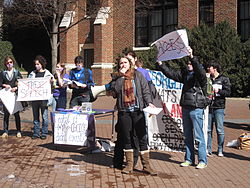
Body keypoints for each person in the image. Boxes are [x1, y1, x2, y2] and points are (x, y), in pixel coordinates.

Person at [157, 46, 208, 169]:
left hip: (196, 108)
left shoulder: (200, 76)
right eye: (188, 63)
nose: (188, 64)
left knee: (199, 136)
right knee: (187, 136)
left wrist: (192, 56)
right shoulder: (185, 75)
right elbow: (171, 74)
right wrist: (160, 64)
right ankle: (189, 159)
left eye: (190, 63)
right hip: (185, 107)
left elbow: (199, 70)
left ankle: (202, 160)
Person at [109, 55, 157, 175]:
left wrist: (150, 103)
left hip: (137, 111)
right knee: (127, 138)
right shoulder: (117, 78)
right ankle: (129, 165)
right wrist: (121, 76)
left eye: (125, 62)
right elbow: (116, 91)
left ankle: (147, 166)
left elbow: (145, 90)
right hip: (124, 112)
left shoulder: (138, 75)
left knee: (142, 137)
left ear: (130, 64)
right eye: (121, 63)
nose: (123, 65)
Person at [206, 60, 231, 157]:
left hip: (219, 107)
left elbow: (228, 92)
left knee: (219, 129)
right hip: (209, 106)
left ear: (214, 69)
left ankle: (220, 149)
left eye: (209, 68)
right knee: (208, 130)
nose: (208, 69)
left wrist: (219, 91)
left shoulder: (224, 79)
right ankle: (209, 149)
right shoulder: (208, 79)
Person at [28, 55, 54, 140]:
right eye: (35, 64)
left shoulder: (47, 74)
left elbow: (53, 85)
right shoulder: (32, 74)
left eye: (38, 64)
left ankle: (44, 132)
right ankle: (36, 133)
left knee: (44, 117)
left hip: (43, 99)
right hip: (35, 99)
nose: (36, 66)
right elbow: (28, 84)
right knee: (35, 117)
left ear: (42, 64)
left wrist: (51, 82)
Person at [0, 56, 23, 138]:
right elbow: (0, 83)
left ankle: (18, 131)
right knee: (6, 114)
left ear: (13, 63)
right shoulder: (3, 73)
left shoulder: (17, 72)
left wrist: (16, 88)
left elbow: (21, 83)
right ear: (5, 64)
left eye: (10, 62)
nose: (9, 64)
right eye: (7, 63)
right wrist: (4, 85)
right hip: (6, 96)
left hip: (14, 95)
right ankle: (5, 131)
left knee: (16, 114)